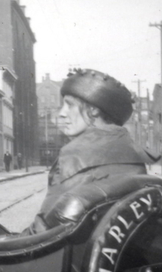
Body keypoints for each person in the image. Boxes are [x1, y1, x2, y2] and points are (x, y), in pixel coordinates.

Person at [25, 68, 150, 233]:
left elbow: (44, 229)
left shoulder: (74, 155)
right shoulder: (133, 153)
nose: (61, 114)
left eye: (69, 105)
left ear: (94, 110)